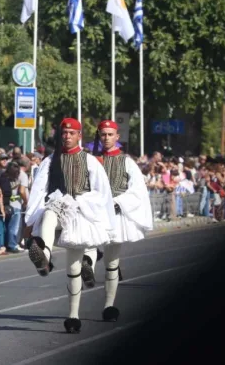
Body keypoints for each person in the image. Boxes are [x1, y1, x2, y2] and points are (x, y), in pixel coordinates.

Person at [24, 117, 116, 334]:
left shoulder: (91, 161)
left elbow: (102, 192)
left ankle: (73, 316)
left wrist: (81, 202)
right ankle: (44, 252)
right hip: (57, 207)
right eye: (64, 133)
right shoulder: (49, 160)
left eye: (71, 133)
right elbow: (38, 190)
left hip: (81, 213)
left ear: (79, 136)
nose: (67, 136)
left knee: (74, 268)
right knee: (48, 214)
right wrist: (29, 220)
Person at [86, 120, 152, 323]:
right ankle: (87, 263)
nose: (106, 138)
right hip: (93, 212)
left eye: (109, 134)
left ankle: (109, 306)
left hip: (114, 214)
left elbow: (137, 190)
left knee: (112, 263)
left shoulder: (127, 162)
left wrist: (117, 203)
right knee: (86, 244)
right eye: (103, 134)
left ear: (117, 136)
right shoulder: (90, 160)